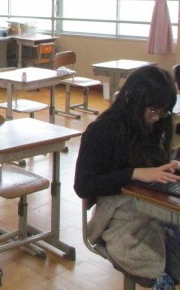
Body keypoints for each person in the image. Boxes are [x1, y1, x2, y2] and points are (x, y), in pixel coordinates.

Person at [74, 65, 180, 285]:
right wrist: (134, 173)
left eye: (163, 112)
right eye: (152, 111)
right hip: (119, 218)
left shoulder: (153, 123)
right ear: (130, 99)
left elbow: (149, 168)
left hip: (148, 205)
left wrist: (167, 167)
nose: (156, 118)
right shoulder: (102, 131)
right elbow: (83, 185)